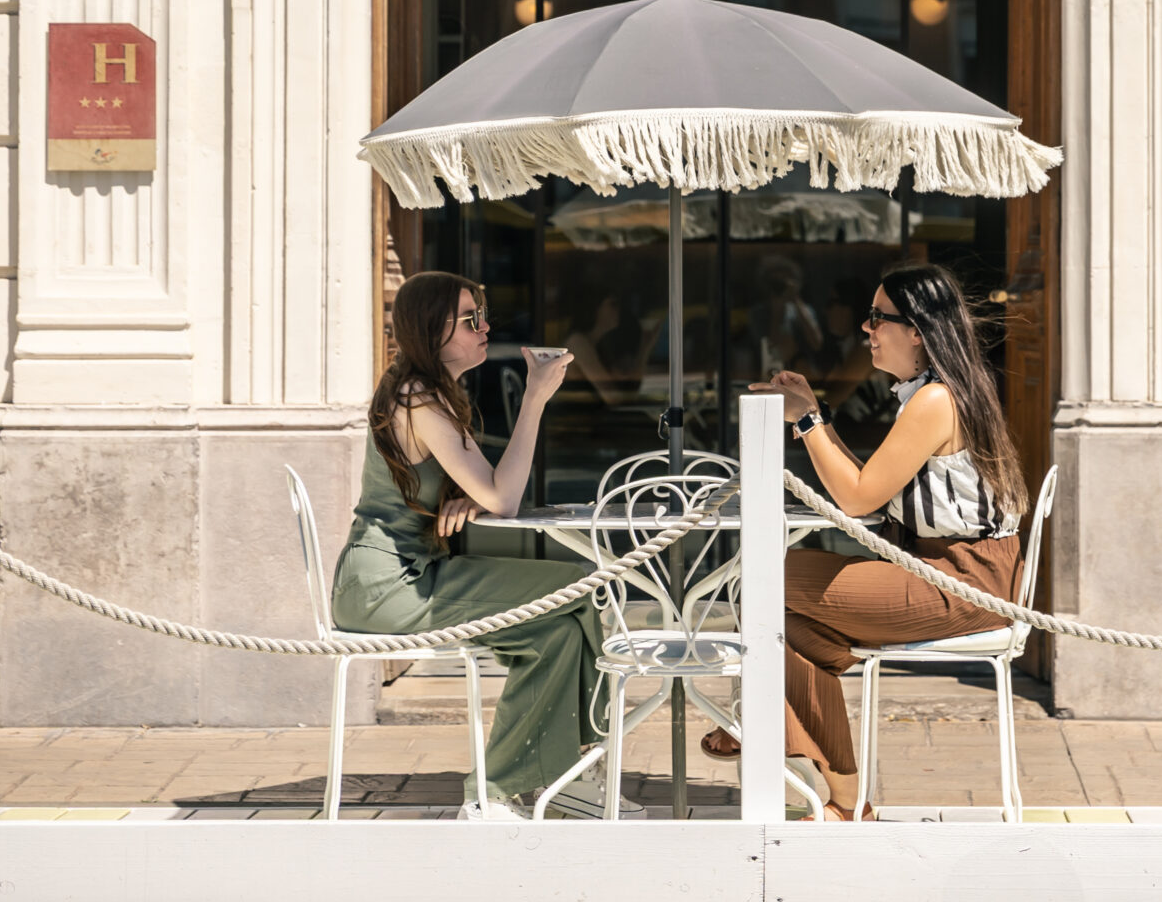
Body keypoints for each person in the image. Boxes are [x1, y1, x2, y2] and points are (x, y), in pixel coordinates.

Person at [711, 262, 1030, 819]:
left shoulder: (934, 401)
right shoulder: (933, 394)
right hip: (949, 573)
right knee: (788, 624)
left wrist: (807, 423)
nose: (866, 328)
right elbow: (873, 490)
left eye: (878, 317)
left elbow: (858, 500)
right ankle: (840, 794)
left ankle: (764, 719)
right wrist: (815, 415)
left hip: (962, 583)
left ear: (918, 330)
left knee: (769, 577)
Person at [331, 271, 634, 819]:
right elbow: (505, 498)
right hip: (388, 585)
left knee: (558, 634)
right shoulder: (418, 398)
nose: (486, 327)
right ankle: (548, 769)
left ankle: (552, 777)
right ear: (433, 329)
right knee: (578, 583)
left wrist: (464, 496)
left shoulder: (432, 393)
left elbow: (484, 490)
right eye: (471, 319)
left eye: (483, 315)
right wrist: (535, 397)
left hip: (413, 574)